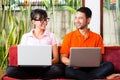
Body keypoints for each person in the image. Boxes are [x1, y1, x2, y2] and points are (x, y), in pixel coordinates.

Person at [6, 9, 64, 79]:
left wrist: (45, 62)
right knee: (10, 70)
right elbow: (22, 57)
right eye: (41, 20)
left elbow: (56, 59)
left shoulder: (51, 36)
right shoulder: (26, 37)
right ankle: (40, 77)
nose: (45, 22)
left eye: (46, 19)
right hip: (29, 68)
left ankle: (35, 77)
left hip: (45, 68)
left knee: (58, 69)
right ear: (33, 22)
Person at [60, 7, 114, 80]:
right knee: (68, 71)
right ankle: (103, 78)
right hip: (76, 69)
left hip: (92, 69)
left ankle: (87, 77)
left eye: (80, 18)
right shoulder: (69, 36)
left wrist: (87, 64)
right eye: (76, 18)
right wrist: (75, 63)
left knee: (109, 65)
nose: (77, 21)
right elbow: (63, 58)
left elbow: (99, 59)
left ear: (88, 20)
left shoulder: (97, 37)